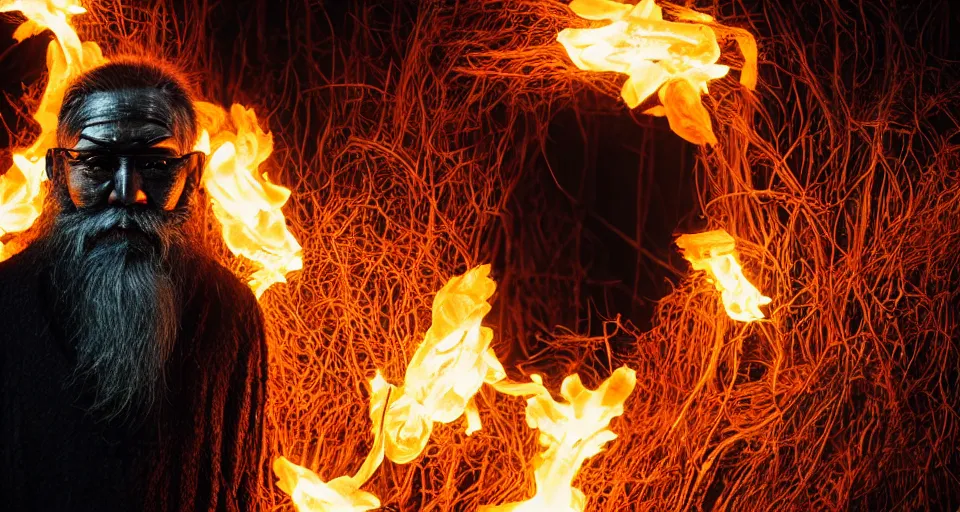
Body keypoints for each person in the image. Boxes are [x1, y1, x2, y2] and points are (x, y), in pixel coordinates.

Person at [0, 58, 267, 511]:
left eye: (156, 162)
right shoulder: (5, 304)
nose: (127, 191)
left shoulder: (230, 314)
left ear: (194, 176)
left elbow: (238, 493)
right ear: (56, 172)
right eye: (96, 162)